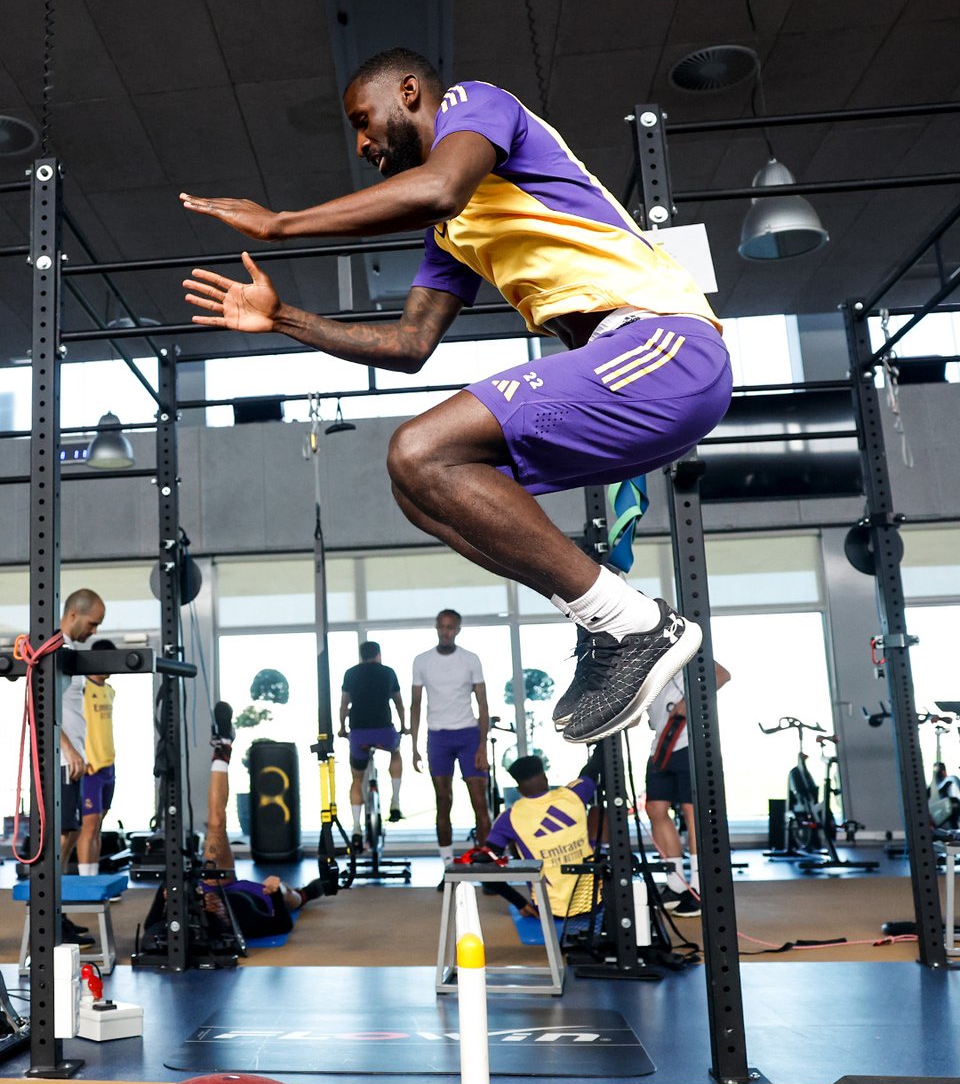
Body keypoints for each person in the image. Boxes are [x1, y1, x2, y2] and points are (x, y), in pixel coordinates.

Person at [182, 47, 732, 747]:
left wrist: (280, 224)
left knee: (420, 447)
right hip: (623, 372)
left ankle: (636, 627)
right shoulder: (454, 229)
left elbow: (439, 185)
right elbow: (409, 347)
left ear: (409, 92)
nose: (361, 143)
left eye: (363, 120)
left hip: (666, 348)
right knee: (419, 485)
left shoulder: (479, 103)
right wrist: (283, 317)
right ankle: (612, 623)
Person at [200, 701, 325, 940]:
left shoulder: (192, 912)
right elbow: (282, 925)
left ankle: (223, 746)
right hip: (259, 897)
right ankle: (306, 894)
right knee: (292, 898)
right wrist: (276, 893)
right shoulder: (247, 925)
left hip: (215, 886)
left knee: (216, 822)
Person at [644, 661, 730, 918]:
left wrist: (691, 700)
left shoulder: (680, 645)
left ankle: (700, 887)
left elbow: (722, 675)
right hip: (661, 744)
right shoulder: (639, 661)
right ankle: (676, 885)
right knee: (655, 809)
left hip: (690, 741)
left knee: (693, 812)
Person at [480, 748, 604, 924]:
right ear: (545, 778)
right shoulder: (573, 795)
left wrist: (519, 902)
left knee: (516, 843)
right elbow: (593, 767)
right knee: (598, 811)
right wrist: (601, 740)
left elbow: (483, 865)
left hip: (549, 910)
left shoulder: (510, 817)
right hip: (595, 902)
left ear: (519, 789)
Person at [410, 609, 489, 873]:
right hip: (438, 737)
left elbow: (483, 704)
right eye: (442, 627)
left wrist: (482, 746)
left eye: (451, 627)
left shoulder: (471, 659)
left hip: (468, 734)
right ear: (436, 627)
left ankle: (487, 867)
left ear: (458, 629)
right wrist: (414, 748)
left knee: (480, 803)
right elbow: (416, 705)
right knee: (443, 801)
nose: (446, 631)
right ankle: (448, 868)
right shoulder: (421, 661)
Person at [59, 588, 106, 947]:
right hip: (59, 760)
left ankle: (55, 913)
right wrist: (68, 750)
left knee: (71, 833)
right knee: (60, 838)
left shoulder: (73, 652)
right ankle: (48, 916)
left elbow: (72, 712)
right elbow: (37, 706)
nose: (94, 632)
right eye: (92, 624)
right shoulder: (55, 648)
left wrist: (81, 752)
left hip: (73, 760)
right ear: (74, 615)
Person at [339, 640, 407, 845]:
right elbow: (399, 704)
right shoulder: (388, 672)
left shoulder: (350, 673)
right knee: (395, 752)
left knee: (357, 779)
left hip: (359, 733)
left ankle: (357, 827)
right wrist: (404, 726)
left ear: (361, 655)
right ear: (378, 654)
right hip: (384, 732)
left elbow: (344, 705)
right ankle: (395, 802)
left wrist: (342, 728)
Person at [77, 638, 118, 877]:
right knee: (88, 826)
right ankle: (85, 882)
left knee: (99, 826)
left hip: (108, 765)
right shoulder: (82, 688)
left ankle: (93, 879)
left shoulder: (110, 691)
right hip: (90, 768)